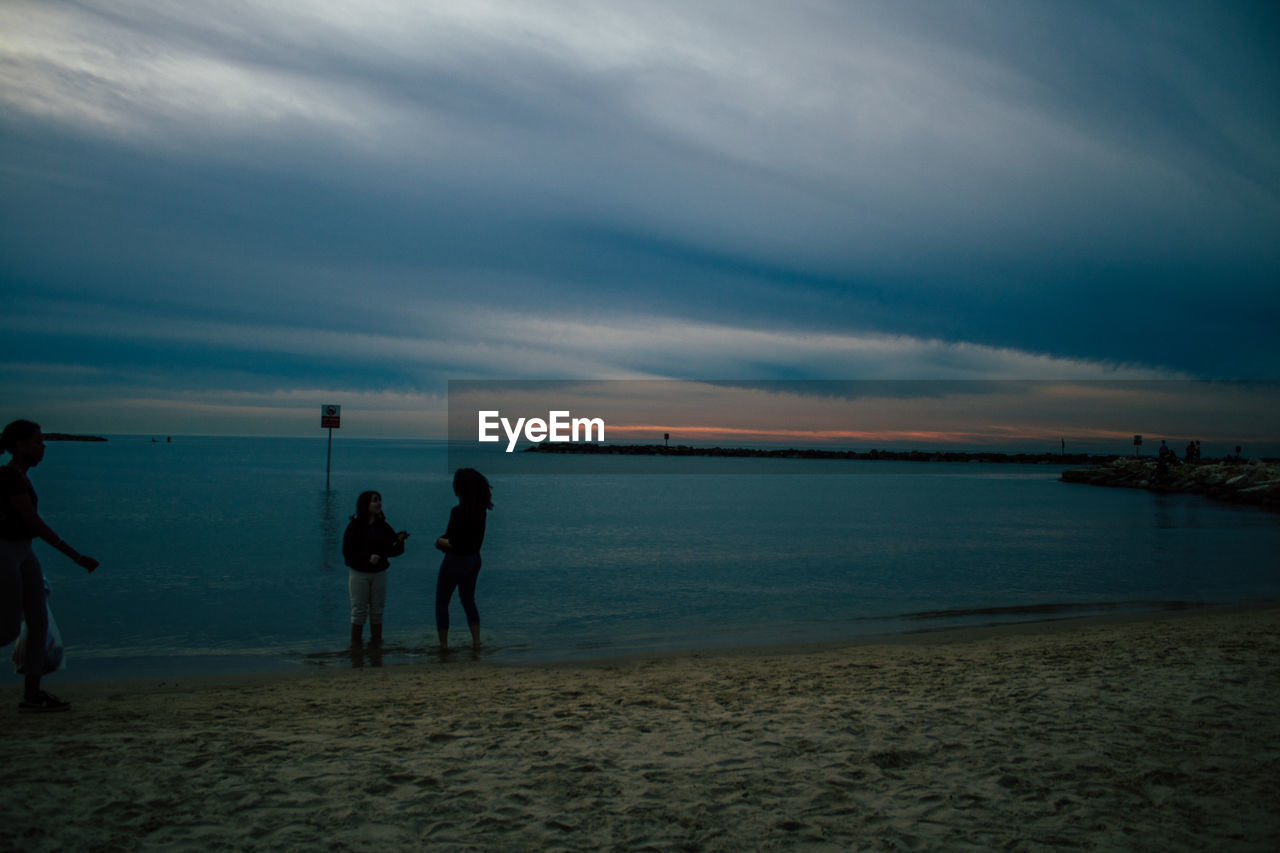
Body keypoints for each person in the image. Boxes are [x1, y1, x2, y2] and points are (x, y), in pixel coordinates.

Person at [1, 420, 99, 712]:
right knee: (5, 630)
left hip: (24, 551)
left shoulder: (21, 475)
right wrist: (75, 556)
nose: (43, 448)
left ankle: (32, 695)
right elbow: (33, 522)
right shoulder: (9, 477)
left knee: (38, 621)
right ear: (19, 446)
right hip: (5, 551)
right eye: (38, 442)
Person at [434, 468, 491, 653]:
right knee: (468, 600)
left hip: (457, 560)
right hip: (474, 559)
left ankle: (443, 645)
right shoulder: (481, 511)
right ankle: (476, 642)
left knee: (442, 602)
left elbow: (455, 542)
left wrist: (440, 541)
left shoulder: (458, 511)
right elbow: (467, 539)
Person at [342, 491, 408, 646]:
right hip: (359, 574)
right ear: (366, 504)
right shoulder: (354, 526)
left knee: (377, 612)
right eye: (374, 501)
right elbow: (347, 554)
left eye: (379, 500)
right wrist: (367, 558)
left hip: (379, 574)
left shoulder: (383, 527)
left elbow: (393, 551)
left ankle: (376, 647)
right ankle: (356, 648)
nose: (378, 503)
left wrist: (400, 541)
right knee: (358, 612)